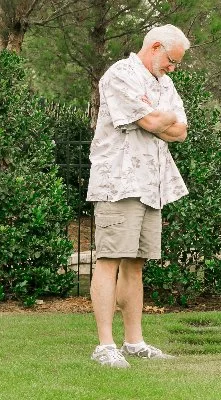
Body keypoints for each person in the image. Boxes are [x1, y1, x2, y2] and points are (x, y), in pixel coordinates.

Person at [85, 24, 190, 368]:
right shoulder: (120, 74)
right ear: (155, 46)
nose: (173, 68)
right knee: (109, 259)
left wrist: (161, 117)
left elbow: (180, 130)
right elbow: (150, 122)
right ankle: (105, 346)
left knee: (135, 265)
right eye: (171, 60)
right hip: (119, 182)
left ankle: (134, 342)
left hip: (152, 185)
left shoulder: (165, 83)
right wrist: (157, 118)